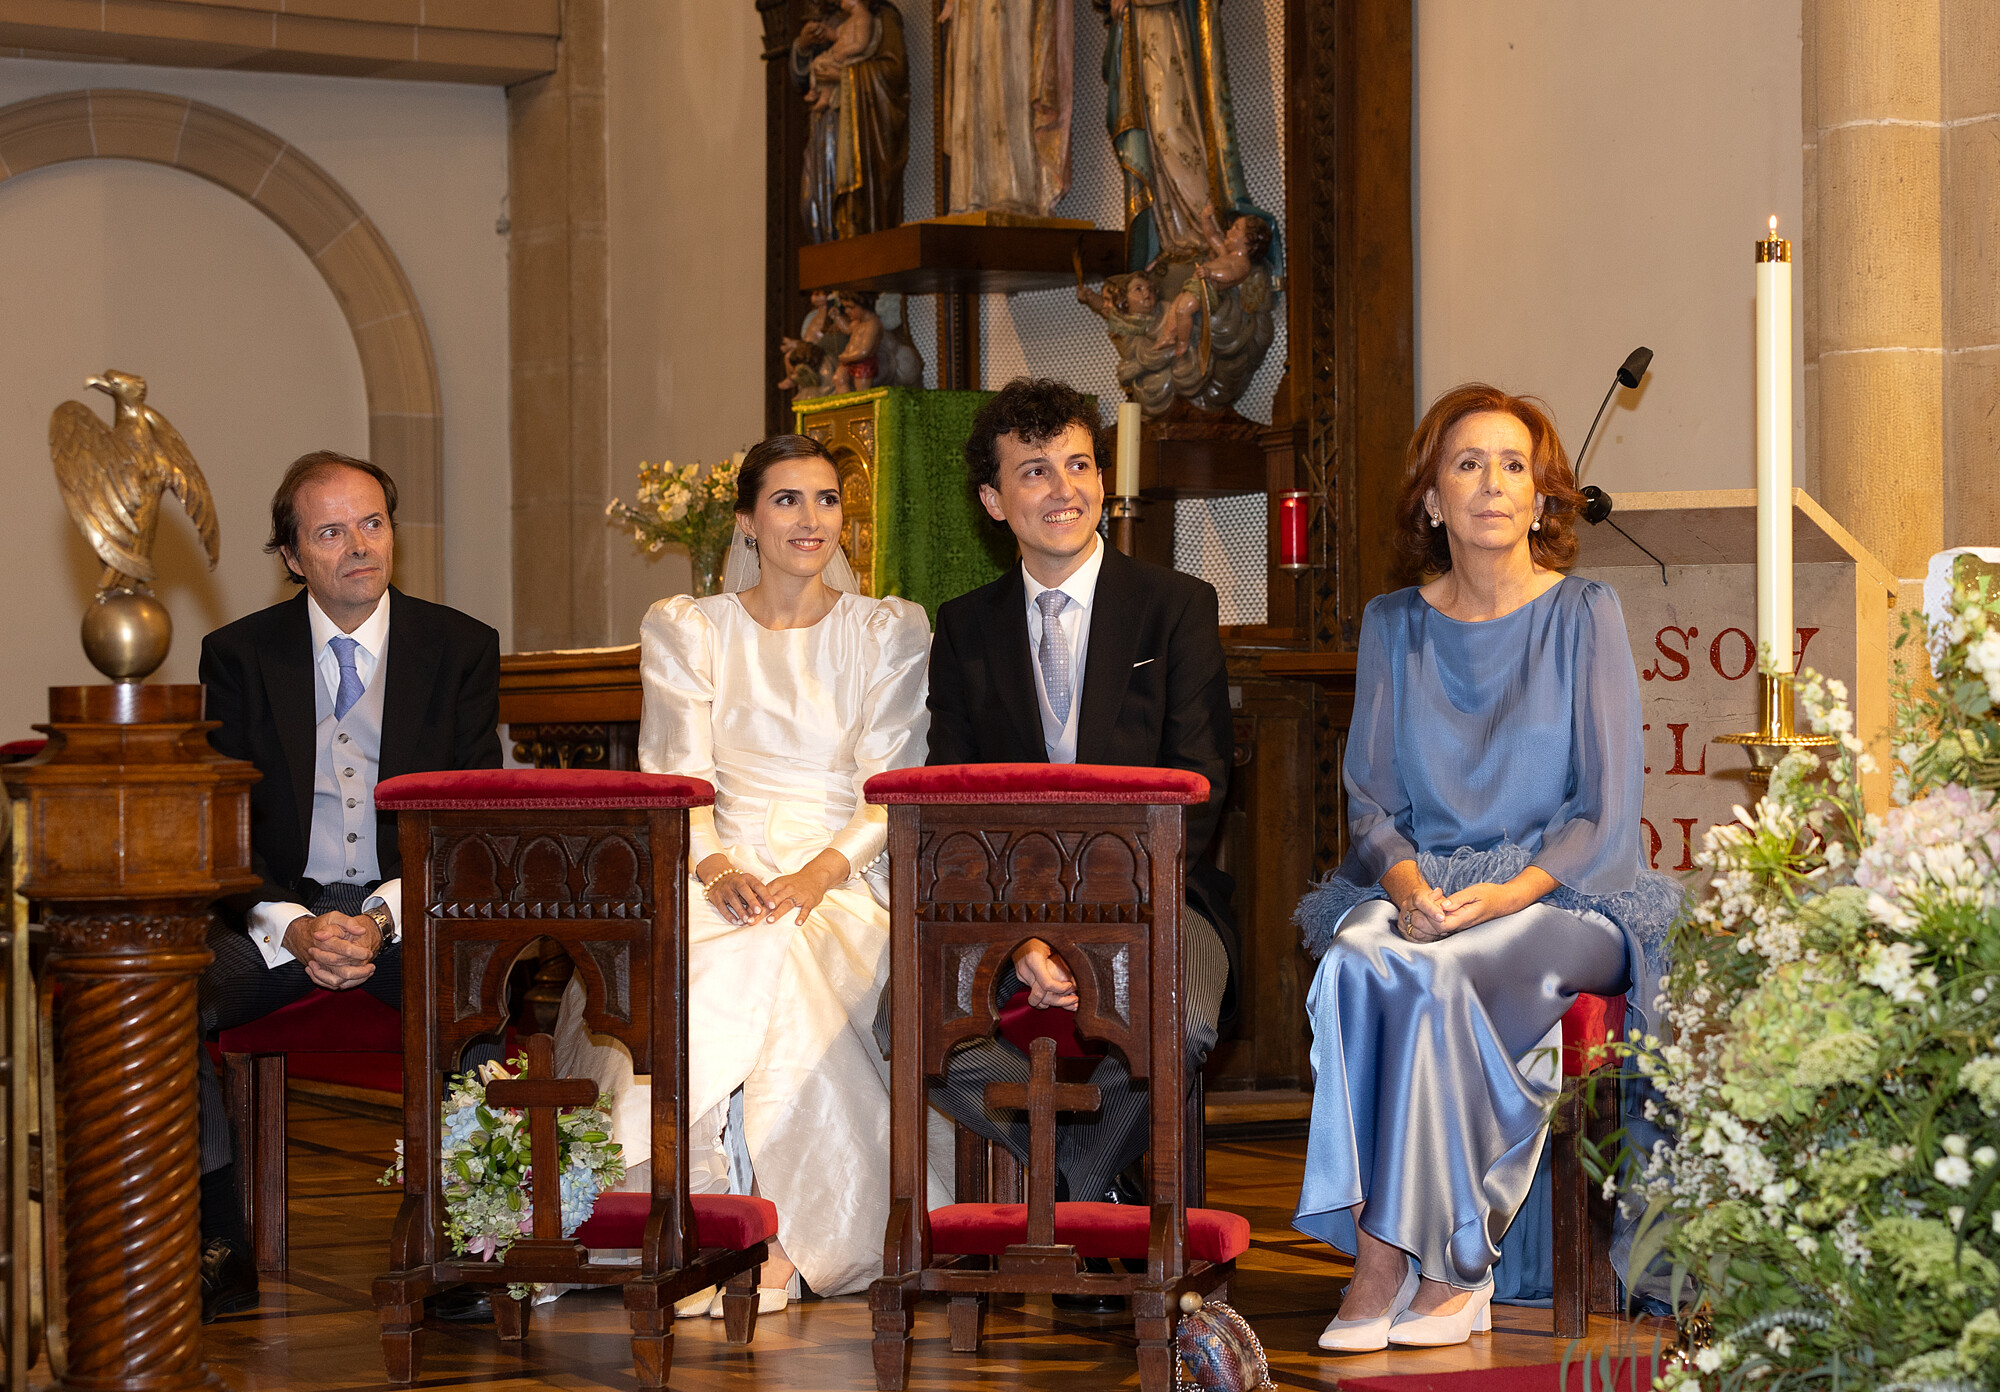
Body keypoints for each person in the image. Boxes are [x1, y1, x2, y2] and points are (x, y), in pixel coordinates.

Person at [1292, 384, 1677, 1352]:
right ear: (1431, 500)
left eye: (1514, 466)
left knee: (1439, 971)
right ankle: (1404, 1256)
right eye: (1467, 465)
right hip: (1429, 885)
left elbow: (1604, 813)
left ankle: (1432, 1265)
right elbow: (1371, 804)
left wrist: (1503, 895)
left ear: (1542, 499)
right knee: (1356, 958)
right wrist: (1412, 891)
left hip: (1568, 896)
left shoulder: (1585, 612)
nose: (1492, 484)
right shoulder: (1393, 623)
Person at [553, 434, 948, 1311]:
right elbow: (677, 779)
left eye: (826, 499)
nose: (811, 519)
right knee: (700, 959)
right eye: (786, 500)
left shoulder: (886, 630)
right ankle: (691, 1219)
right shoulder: (691, 629)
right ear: (746, 521)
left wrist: (815, 876)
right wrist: (715, 865)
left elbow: (891, 789)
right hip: (717, 865)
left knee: (789, 959)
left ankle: (784, 1236)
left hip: (843, 873)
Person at [921, 377, 1236, 1313]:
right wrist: (1024, 939)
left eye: (1079, 465)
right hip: (1005, 917)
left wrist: (1103, 938)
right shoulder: (964, 628)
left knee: (1184, 1018)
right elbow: (953, 807)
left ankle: (1069, 1195)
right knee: (908, 1024)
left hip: (1159, 899)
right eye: (1034, 472)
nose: (1064, 489)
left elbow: (1202, 786)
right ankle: (1096, 1192)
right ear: (994, 501)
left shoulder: (1175, 606)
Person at [195, 450, 501, 1322]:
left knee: (475, 990)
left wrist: (384, 916)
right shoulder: (239, 654)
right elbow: (225, 818)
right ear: (293, 556)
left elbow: (472, 814)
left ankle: (465, 1246)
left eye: (372, 523)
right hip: (277, 912)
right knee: (168, 992)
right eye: (330, 531)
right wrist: (291, 924)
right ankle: (218, 1241)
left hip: (406, 907)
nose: (359, 545)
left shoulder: (460, 647)